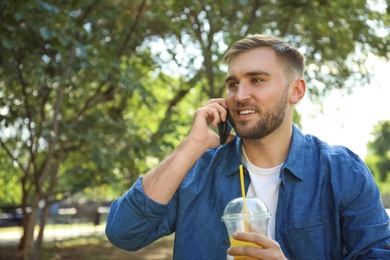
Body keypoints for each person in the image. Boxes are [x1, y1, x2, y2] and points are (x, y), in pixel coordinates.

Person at [105, 34, 390, 259]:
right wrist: (191, 146)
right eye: (232, 84)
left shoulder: (341, 171)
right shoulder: (196, 170)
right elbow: (124, 233)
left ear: (296, 90)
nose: (240, 95)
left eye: (257, 80)